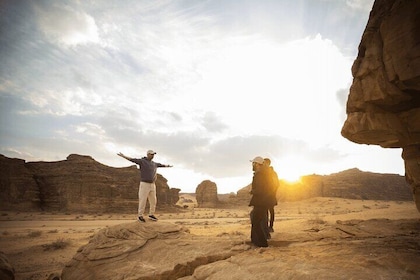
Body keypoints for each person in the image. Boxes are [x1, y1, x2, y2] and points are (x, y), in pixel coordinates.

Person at [117, 150, 172, 222]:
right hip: (144, 184)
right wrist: (124, 156)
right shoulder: (142, 161)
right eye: (151, 154)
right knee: (143, 200)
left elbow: (161, 165)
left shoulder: (154, 163)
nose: (153, 156)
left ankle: (151, 214)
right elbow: (132, 160)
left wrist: (168, 166)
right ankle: (140, 216)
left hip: (152, 184)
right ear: (148, 154)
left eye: (153, 155)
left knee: (153, 200)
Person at [248, 156, 271, 247]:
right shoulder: (264, 173)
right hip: (263, 201)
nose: (252, 165)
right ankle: (258, 241)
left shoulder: (260, 174)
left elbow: (261, 189)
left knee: (256, 222)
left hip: (260, 202)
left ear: (257, 164)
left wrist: (253, 191)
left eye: (253, 163)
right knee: (257, 221)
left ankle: (262, 244)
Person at [264, 158, 279, 233]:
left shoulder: (273, 173)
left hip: (270, 195)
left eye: (265, 162)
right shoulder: (264, 172)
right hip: (264, 196)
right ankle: (266, 227)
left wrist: (272, 193)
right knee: (265, 211)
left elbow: (277, 184)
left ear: (268, 163)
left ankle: (271, 226)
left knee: (271, 211)